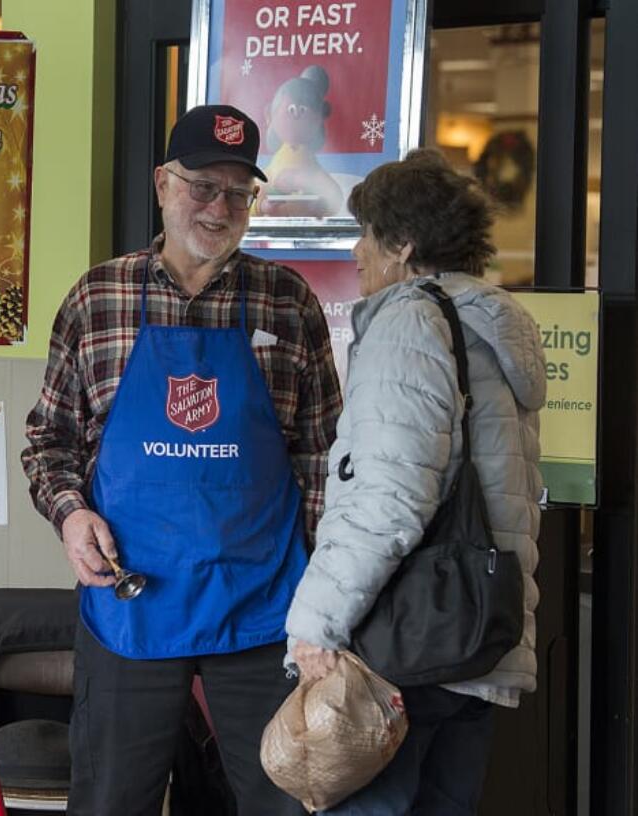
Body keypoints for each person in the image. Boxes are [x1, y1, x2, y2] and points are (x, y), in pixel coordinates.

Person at [22, 104, 342, 816]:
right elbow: (50, 440)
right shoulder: (97, 299)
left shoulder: (288, 302)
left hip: (263, 606)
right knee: (112, 799)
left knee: (283, 798)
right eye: (202, 185)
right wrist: (72, 517)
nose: (219, 206)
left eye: (238, 192)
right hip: (132, 600)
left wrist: (321, 596)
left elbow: (322, 455)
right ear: (163, 184)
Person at [285, 148, 545, 815]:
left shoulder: (409, 322)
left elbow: (388, 494)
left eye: (366, 235)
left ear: (401, 244)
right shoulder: (490, 322)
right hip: (475, 637)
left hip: (403, 642)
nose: (356, 252)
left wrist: (317, 621)